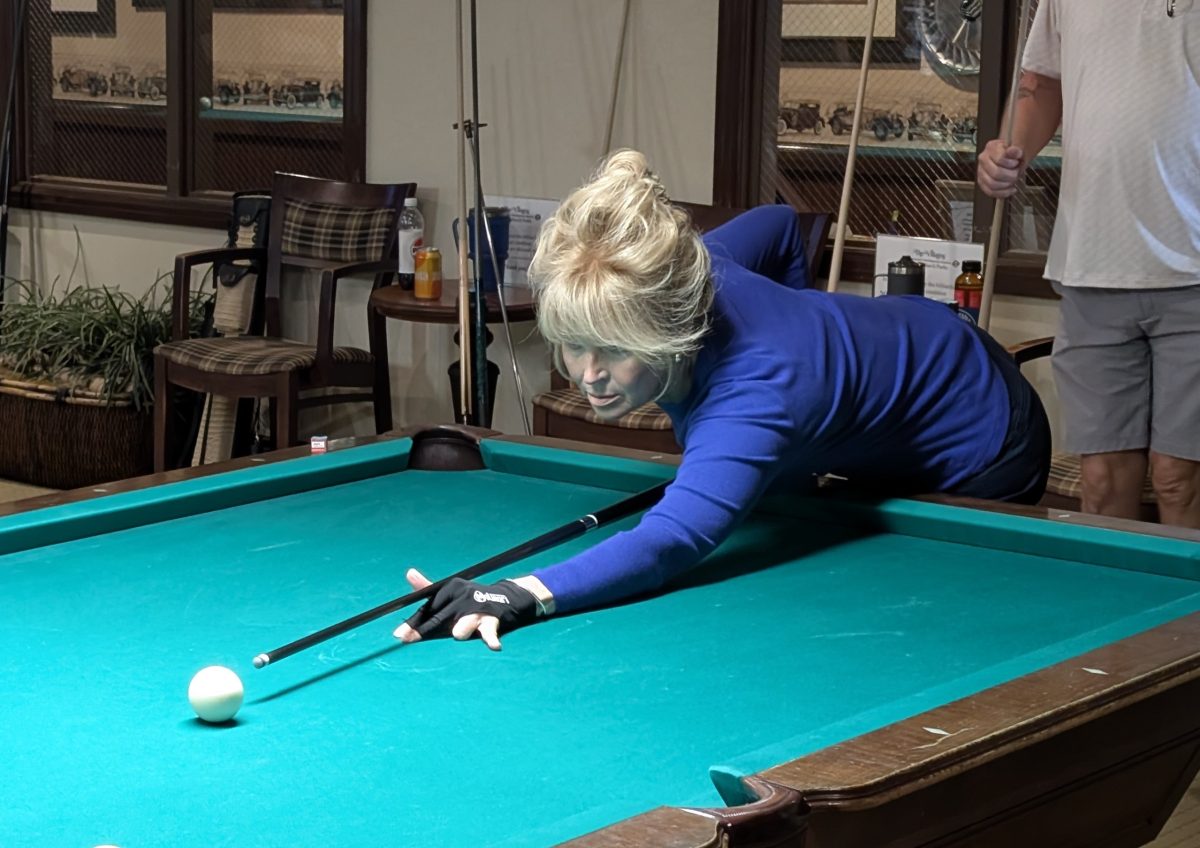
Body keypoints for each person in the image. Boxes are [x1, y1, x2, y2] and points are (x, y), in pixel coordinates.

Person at [395, 149, 1050, 651]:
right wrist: (804, 319)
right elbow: (779, 226)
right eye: (573, 345)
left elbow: (672, 539)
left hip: (986, 430)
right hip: (917, 344)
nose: (587, 376)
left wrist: (519, 592)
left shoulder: (757, 393)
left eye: (613, 350)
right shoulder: (682, 272)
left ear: (672, 335)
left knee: (942, 613)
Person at [976, 0, 1200, 527]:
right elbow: (1041, 84)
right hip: (1090, 264)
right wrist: (1008, 153)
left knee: (1180, 478)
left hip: (1194, 270)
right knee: (1101, 479)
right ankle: (1119, 588)